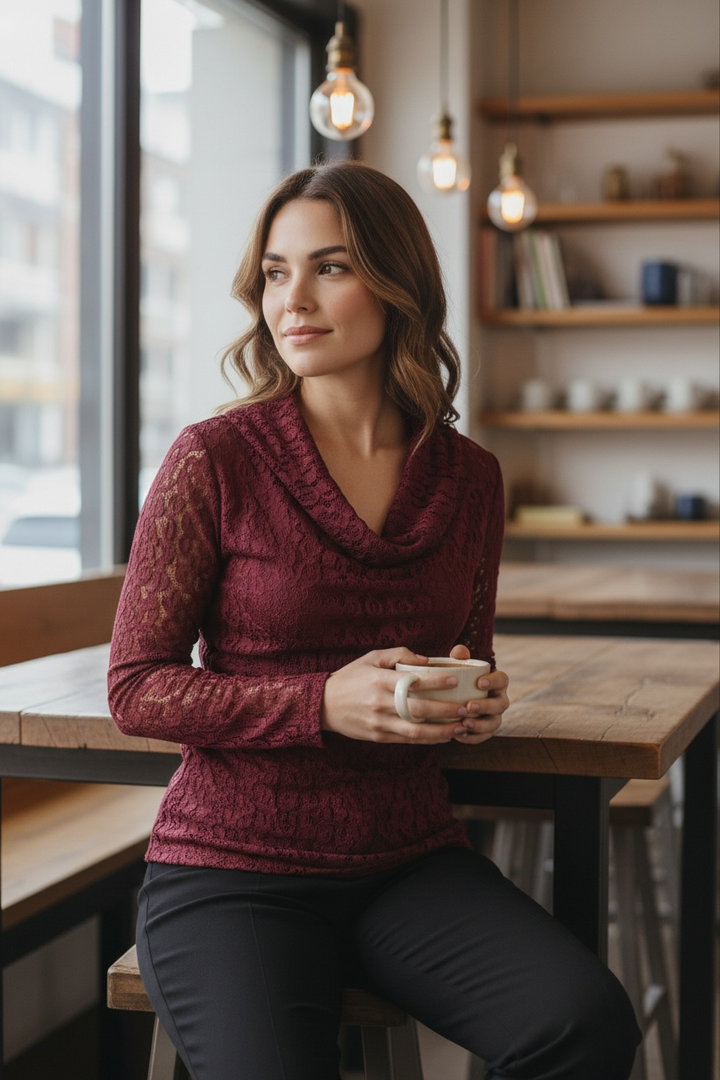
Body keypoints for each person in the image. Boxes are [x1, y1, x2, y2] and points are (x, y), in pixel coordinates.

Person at [108, 160, 640, 1080]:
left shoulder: (471, 477)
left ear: (397, 283)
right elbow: (136, 687)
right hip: (233, 868)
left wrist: (476, 702)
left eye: (331, 267)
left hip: (409, 861)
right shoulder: (214, 458)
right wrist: (320, 704)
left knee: (586, 1024)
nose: (293, 299)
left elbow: (468, 651)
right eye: (276, 272)